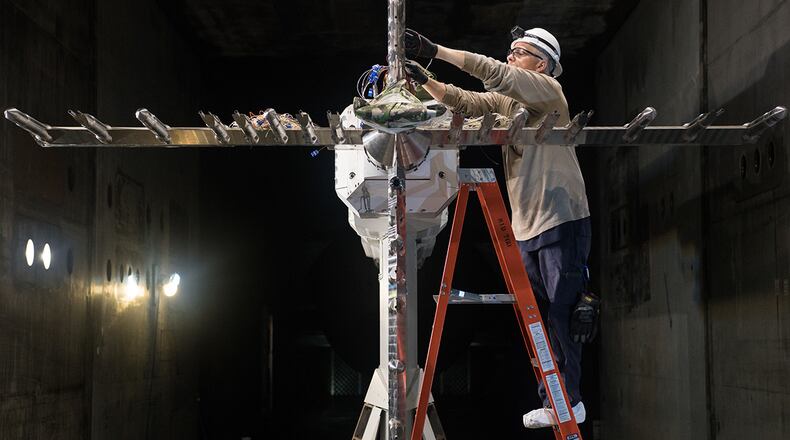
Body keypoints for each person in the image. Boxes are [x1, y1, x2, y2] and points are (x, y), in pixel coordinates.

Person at [403, 27, 599, 429]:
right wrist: (425, 80)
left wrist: (434, 50)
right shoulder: (509, 105)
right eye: (509, 51)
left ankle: (572, 401)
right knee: (540, 321)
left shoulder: (548, 92)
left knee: (562, 315)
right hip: (527, 226)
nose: (510, 57)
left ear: (541, 64)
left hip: (562, 217)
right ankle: (554, 400)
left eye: (520, 52)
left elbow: (494, 74)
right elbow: (467, 100)